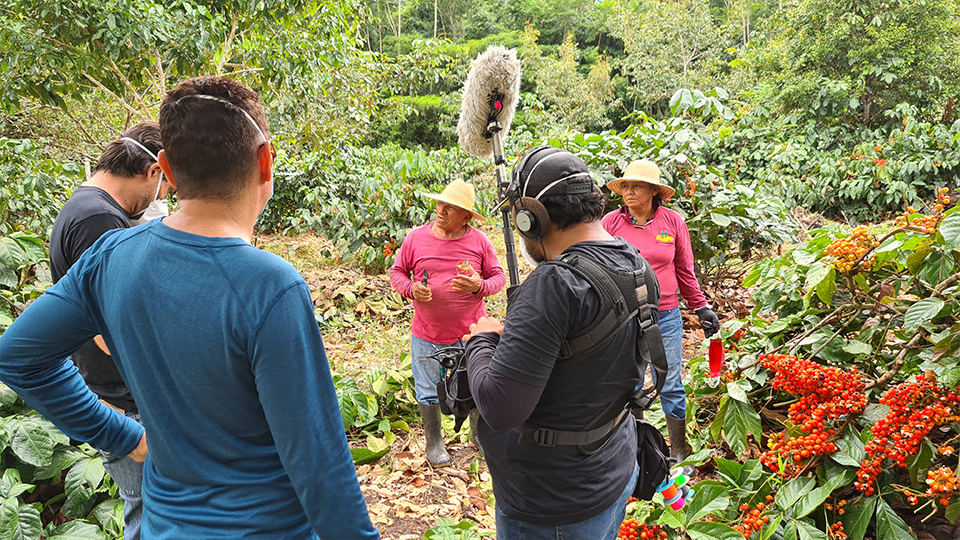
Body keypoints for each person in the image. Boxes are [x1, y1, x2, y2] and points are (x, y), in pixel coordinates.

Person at [0, 76, 379, 540]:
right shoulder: (270, 286)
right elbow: (319, 465)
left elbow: (18, 357)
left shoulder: (109, 257)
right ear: (266, 161)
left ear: (166, 169)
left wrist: (123, 436)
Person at [462, 146, 650, 539]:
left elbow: (500, 408)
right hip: (614, 469)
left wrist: (482, 340)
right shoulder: (636, 263)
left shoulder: (554, 284)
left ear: (531, 219)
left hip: (552, 505)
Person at [46, 121, 171, 540]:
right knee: (148, 511)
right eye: (165, 189)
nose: (161, 200)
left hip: (117, 391)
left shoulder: (89, 208)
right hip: (123, 399)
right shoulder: (98, 219)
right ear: (153, 171)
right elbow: (111, 328)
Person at [601, 159, 719, 470]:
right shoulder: (611, 223)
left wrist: (700, 306)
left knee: (670, 382)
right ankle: (638, 449)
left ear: (654, 191)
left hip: (665, 315)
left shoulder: (672, 222)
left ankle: (678, 451)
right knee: (630, 382)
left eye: (636, 186)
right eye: (625, 186)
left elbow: (684, 269)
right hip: (624, 316)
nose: (629, 192)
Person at [389, 179, 505, 467]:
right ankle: (434, 442)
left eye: (450, 208)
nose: (441, 210)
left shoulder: (479, 241)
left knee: (477, 385)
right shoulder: (416, 238)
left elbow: (498, 278)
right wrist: (411, 289)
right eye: (441, 203)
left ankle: (478, 435)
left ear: (466, 217)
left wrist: (479, 286)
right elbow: (397, 272)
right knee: (427, 388)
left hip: (471, 333)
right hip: (427, 332)